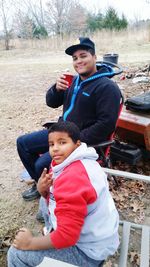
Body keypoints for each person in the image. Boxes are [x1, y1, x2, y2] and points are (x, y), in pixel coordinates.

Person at [17, 37, 122, 200]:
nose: (78, 61)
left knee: (41, 164)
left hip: (81, 140)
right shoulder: (74, 81)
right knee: (23, 143)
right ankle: (42, 184)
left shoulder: (107, 87)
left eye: (83, 55)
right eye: (75, 58)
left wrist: (74, 140)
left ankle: (53, 192)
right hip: (60, 132)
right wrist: (56, 89)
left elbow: (105, 126)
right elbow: (51, 103)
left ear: (94, 57)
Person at [8, 121, 119, 267]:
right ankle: (50, 232)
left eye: (62, 142)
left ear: (77, 144)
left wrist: (30, 243)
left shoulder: (72, 179)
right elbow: (64, 199)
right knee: (44, 199)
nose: (55, 149)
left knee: (16, 253)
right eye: (51, 144)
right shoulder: (81, 160)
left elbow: (67, 237)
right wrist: (43, 191)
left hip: (88, 253)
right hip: (101, 235)